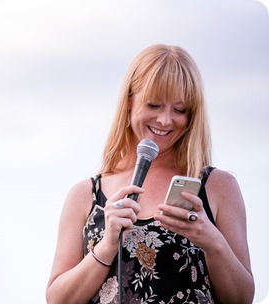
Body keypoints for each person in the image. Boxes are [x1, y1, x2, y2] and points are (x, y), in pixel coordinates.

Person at [46, 44, 254, 304]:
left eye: (180, 110)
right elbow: (58, 300)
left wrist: (212, 242)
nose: (165, 121)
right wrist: (107, 245)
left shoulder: (218, 186)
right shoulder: (84, 195)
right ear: (130, 100)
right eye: (154, 105)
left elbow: (242, 298)